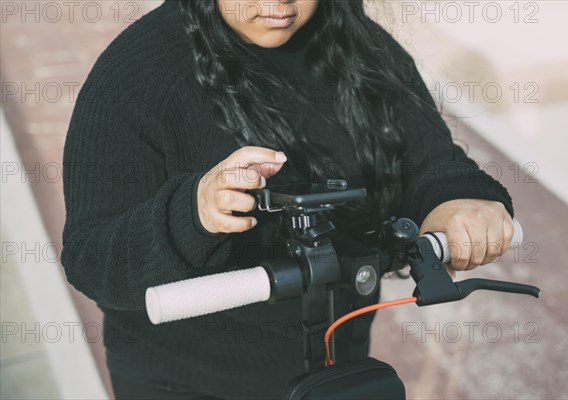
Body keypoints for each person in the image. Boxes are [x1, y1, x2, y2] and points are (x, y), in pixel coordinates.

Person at [61, 0, 515, 399]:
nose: (279, 2)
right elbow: (92, 259)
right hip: (186, 380)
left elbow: (432, 161)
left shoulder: (356, 43)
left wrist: (459, 197)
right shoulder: (135, 75)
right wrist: (192, 212)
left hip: (336, 364)